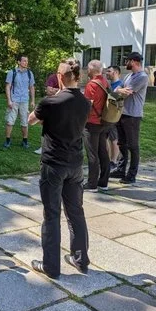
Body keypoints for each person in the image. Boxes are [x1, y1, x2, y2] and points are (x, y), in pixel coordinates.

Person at [28, 58, 91, 280]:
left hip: (53, 165)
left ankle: (51, 266)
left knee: (52, 214)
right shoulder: (86, 102)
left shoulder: (50, 102)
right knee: (76, 212)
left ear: (60, 77)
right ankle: (81, 259)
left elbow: (31, 120)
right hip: (75, 164)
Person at [110, 52, 149, 184]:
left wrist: (120, 90)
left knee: (133, 146)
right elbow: (117, 90)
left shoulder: (142, 77)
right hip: (122, 113)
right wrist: (120, 90)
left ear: (133, 61)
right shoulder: (128, 76)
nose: (125, 63)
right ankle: (120, 170)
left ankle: (131, 175)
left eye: (127, 60)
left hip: (133, 115)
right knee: (122, 144)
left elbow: (126, 93)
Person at [82, 60, 111, 192]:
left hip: (92, 123)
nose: (87, 71)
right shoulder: (105, 82)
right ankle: (103, 182)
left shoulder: (91, 85)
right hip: (104, 121)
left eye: (88, 68)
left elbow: (87, 105)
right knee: (103, 152)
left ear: (93, 69)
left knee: (92, 154)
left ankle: (92, 183)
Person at [4, 54, 35, 148]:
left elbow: (32, 87)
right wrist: (9, 100)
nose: (26, 62)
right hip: (14, 100)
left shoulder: (30, 73)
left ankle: (25, 141)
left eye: (27, 61)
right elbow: (8, 86)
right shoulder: (12, 72)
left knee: (25, 122)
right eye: (24, 60)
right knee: (10, 121)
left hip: (25, 100)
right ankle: (7, 140)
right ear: (19, 62)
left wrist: (32, 100)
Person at [34, 72, 60, 154]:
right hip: (51, 104)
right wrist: (59, 91)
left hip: (61, 105)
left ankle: (55, 148)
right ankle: (43, 148)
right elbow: (49, 91)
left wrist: (55, 90)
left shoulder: (68, 78)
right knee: (46, 125)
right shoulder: (53, 77)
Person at [105, 66, 123, 168]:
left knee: (114, 139)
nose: (107, 73)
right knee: (108, 138)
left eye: (109, 71)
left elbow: (116, 99)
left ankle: (114, 161)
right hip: (108, 115)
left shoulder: (120, 85)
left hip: (114, 116)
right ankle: (110, 159)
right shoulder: (110, 84)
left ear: (115, 72)